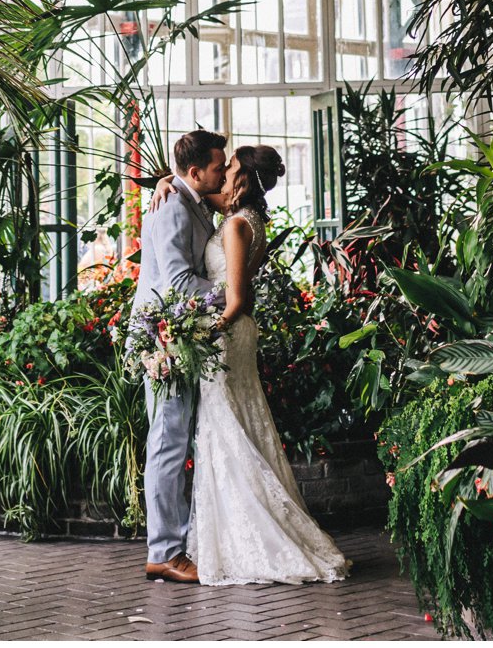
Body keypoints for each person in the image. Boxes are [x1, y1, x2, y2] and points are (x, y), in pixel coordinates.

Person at [186, 145, 351, 586]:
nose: (224, 173)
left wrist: (203, 332)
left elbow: (238, 299)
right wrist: (170, 179)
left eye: (232, 167)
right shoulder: (248, 218)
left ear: (243, 177)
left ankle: (254, 538)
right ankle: (239, 531)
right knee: (237, 426)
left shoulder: (239, 226)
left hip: (226, 334)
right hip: (232, 335)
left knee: (229, 429)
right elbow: (199, 190)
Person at [132, 128, 227, 583]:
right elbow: (175, 283)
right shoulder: (173, 206)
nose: (224, 171)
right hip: (164, 339)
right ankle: (164, 553)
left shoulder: (188, 198)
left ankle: (173, 545)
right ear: (195, 172)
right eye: (217, 166)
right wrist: (231, 292)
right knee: (167, 442)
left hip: (182, 335)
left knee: (175, 438)